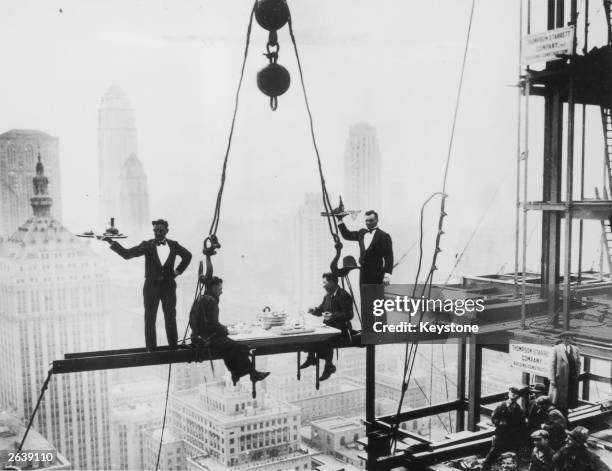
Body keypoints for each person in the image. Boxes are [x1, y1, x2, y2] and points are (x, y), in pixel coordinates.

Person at [104, 219, 192, 349]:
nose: (157, 233)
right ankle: (151, 348)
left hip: (168, 286)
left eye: (160, 230)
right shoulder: (147, 245)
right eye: (155, 231)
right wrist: (111, 242)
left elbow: (188, 256)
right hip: (151, 287)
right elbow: (127, 254)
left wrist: (177, 272)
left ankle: (173, 346)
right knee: (150, 318)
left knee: (170, 317)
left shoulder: (174, 245)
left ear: (167, 231)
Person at [189, 276, 269, 385]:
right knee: (240, 347)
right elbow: (214, 325)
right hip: (207, 339)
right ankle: (251, 374)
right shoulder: (211, 301)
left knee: (230, 347)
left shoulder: (200, 298)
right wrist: (226, 330)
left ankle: (237, 373)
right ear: (213, 288)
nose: (221, 292)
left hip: (198, 338)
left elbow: (199, 322)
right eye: (219, 289)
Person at [301, 272, 354, 381]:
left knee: (327, 340)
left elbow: (349, 314)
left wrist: (333, 317)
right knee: (314, 335)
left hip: (341, 330)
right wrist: (314, 310)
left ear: (333, 282)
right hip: (329, 327)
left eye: (325, 283)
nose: (323, 285)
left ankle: (328, 367)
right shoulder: (327, 296)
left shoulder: (343, 295)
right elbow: (321, 310)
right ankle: (311, 358)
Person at [337, 210, 393, 286]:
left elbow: (389, 258)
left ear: (377, 220)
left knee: (376, 297)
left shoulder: (384, 236)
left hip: (377, 276)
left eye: (371, 220)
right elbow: (347, 235)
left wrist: (387, 276)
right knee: (365, 297)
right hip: (363, 275)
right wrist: (340, 220)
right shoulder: (361, 233)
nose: (368, 223)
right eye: (366, 220)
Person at [482, 386, 527, 471]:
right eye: (512, 393)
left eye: (515, 395)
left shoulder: (519, 409)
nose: (513, 396)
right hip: (501, 434)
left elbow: (522, 424)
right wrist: (499, 422)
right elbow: (493, 418)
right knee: (493, 453)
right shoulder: (501, 406)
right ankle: (484, 468)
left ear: (518, 397)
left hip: (513, 436)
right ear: (508, 394)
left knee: (513, 456)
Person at [549, 331, 581, 415]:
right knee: (559, 400)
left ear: (571, 339)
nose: (567, 340)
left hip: (571, 378)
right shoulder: (556, 348)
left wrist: (577, 373)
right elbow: (552, 364)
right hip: (560, 379)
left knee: (570, 398)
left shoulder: (575, 349)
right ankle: (559, 415)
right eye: (565, 338)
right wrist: (552, 379)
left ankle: (566, 414)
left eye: (569, 338)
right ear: (562, 339)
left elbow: (578, 362)